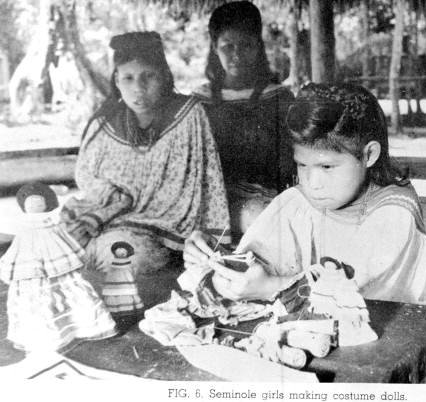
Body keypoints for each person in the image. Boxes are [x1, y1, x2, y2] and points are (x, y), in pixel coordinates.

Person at [185, 83, 426, 356]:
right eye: (302, 164)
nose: (313, 182)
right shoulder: (299, 201)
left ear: (369, 155)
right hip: (323, 329)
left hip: (400, 334)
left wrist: (267, 287)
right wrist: (218, 262)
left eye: (327, 166)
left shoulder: (394, 213)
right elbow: (256, 260)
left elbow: (357, 301)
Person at [61, 31, 230, 317]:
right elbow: (88, 178)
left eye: (148, 76)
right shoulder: (106, 123)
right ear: (116, 80)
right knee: (57, 243)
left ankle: (112, 318)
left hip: (165, 228)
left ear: (164, 76)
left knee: (122, 256)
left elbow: (208, 176)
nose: (138, 88)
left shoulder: (189, 115)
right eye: (127, 78)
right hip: (108, 219)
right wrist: (112, 201)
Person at [195, 1, 295, 239]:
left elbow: (292, 163)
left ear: (258, 47)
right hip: (211, 202)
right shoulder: (200, 102)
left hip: (264, 200)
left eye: (246, 45)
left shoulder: (279, 98)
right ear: (214, 48)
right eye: (228, 46)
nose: (237, 55)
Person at [0, 183, 116, 351]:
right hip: (32, 268)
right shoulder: (23, 229)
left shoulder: (53, 226)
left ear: (47, 204)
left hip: (58, 265)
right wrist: (10, 266)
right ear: (24, 206)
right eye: (30, 204)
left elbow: (67, 242)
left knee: (68, 290)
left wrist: (78, 256)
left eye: (39, 203)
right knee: (39, 298)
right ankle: (48, 335)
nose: (34, 206)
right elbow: (16, 249)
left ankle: (79, 326)